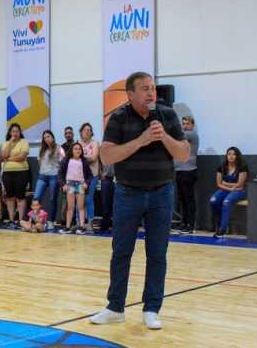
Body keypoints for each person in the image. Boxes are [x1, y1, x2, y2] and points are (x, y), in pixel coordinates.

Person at [90, 72, 189, 330]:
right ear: (130, 94)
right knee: (121, 251)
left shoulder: (167, 115)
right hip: (128, 193)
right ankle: (115, 308)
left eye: (152, 88)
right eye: (144, 88)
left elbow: (183, 153)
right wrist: (141, 140)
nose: (151, 93)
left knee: (157, 253)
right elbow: (107, 156)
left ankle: (151, 309)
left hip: (161, 193)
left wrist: (163, 136)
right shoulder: (119, 117)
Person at [209, 147, 248, 238]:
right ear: (226, 155)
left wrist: (225, 183)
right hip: (227, 189)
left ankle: (223, 229)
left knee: (226, 202)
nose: (231, 156)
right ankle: (219, 224)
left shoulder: (242, 166)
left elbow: (240, 184)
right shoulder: (222, 166)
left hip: (239, 191)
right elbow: (219, 184)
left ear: (237, 156)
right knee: (213, 200)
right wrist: (230, 188)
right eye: (229, 154)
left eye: (233, 154)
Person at [58, 143, 93, 234]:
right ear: (71, 150)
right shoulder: (66, 160)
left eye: (79, 149)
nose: (78, 150)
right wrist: (63, 185)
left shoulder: (84, 161)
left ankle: (82, 227)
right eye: (75, 149)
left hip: (80, 185)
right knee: (70, 207)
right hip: (70, 185)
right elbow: (60, 174)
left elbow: (90, 175)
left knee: (81, 207)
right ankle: (67, 227)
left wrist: (86, 183)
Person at [1, 123, 30, 228]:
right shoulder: (6, 143)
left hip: (21, 172)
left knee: (20, 197)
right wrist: (10, 142)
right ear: (10, 133)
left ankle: (20, 220)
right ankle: (11, 220)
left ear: (20, 132)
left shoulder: (24, 142)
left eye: (17, 131)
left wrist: (8, 159)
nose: (15, 133)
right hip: (7, 173)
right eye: (13, 131)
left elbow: (22, 157)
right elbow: (4, 155)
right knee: (10, 197)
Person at [174, 116, 199, 233]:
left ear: (192, 125)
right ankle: (184, 223)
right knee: (182, 200)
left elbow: (177, 136)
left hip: (188, 171)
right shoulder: (183, 137)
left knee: (188, 199)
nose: (184, 126)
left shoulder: (192, 134)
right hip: (179, 171)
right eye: (183, 124)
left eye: (187, 124)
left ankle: (190, 225)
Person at [34, 130, 64, 225]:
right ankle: (36, 220)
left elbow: (63, 162)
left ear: (53, 137)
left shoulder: (59, 148)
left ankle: (51, 221)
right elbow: (39, 162)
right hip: (42, 176)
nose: (47, 139)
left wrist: (58, 175)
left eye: (48, 136)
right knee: (36, 197)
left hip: (54, 176)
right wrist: (43, 170)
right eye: (45, 137)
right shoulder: (41, 149)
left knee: (52, 198)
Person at [78, 123, 100, 232]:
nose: (87, 132)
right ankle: (80, 223)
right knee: (79, 199)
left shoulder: (95, 143)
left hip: (92, 175)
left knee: (89, 199)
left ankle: (90, 223)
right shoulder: (77, 144)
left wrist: (81, 158)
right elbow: (73, 158)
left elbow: (93, 158)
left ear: (91, 132)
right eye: (85, 130)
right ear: (81, 132)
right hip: (79, 176)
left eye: (89, 130)